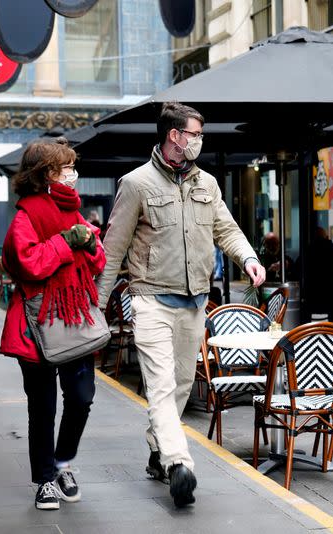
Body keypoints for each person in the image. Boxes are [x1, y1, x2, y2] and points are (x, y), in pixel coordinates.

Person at [95, 102, 265, 508]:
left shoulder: (207, 182)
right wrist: (96, 307)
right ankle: (178, 465)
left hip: (194, 302)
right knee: (160, 385)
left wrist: (249, 258)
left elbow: (226, 227)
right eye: (195, 134)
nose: (199, 142)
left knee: (182, 387)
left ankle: (157, 452)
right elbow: (112, 250)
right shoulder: (136, 184)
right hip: (150, 299)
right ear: (175, 136)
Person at [0, 138, 106, 510]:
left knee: (82, 399)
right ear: (47, 175)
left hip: (74, 319)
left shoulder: (74, 212)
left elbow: (98, 261)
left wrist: (90, 246)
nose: (73, 175)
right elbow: (28, 264)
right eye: (66, 169)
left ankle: (62, 462)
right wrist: (66, 243)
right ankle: (45, 479)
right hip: (35, 327)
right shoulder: (25, 217)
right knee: (42, 408)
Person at [297, 227, 333, 324]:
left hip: (310, 301)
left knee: (302, 304)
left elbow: (296, 272)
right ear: (327, 237)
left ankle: (303, 333)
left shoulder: (306, 254)